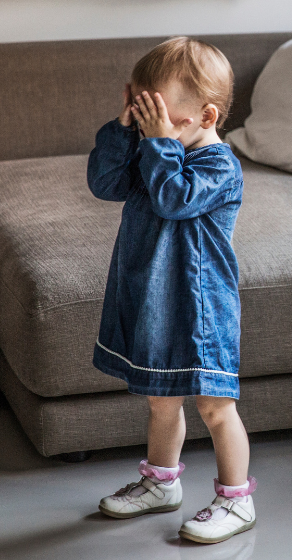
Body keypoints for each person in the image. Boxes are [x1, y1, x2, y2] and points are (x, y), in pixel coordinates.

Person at [87, 37, 255, 544]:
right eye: (143, 115)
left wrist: (157, 144)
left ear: (206, 116)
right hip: (154, 298)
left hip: (200, 305)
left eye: (162, 118)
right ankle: (161, 484)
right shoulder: (156, 148)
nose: (148, 129)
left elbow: (173, 199)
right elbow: (104, 183)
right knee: (161, 400)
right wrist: (125, 131)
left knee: (214, 407)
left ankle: (236, 500)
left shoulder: (219, 166)